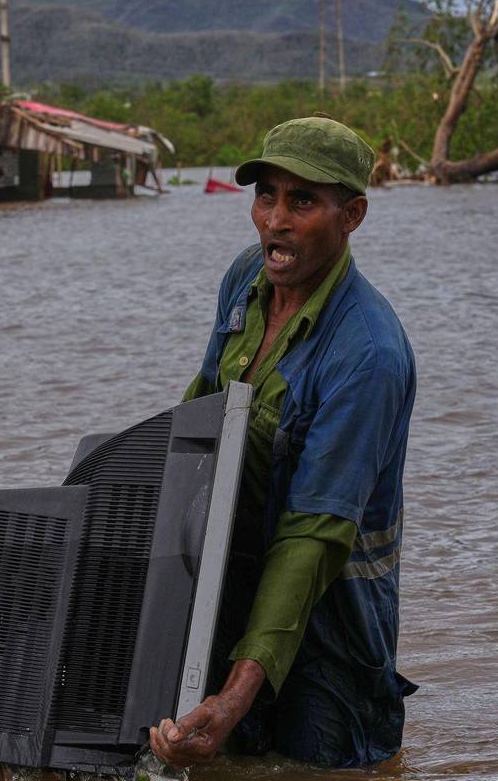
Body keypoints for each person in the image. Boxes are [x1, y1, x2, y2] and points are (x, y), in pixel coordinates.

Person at [149, 117, 417, 769]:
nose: (275, 220)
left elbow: (312, 537)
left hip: (333, 616)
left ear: (352, 215)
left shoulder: (367, 355)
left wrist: (234, 696)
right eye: (266, 195)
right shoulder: (247, 279)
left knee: (319, 766)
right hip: (237, 579)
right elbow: (200, 417)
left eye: (302, 201)